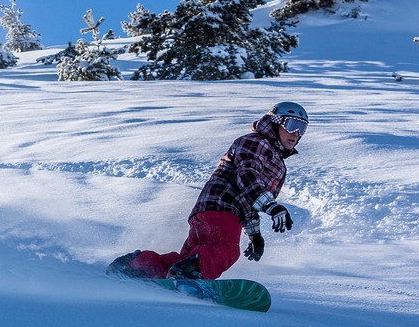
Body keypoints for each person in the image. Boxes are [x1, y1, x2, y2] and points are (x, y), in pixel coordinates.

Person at [111, 101, 308, 281]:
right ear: (274, 122)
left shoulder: (275, 159)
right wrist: (271, 206)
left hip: (212, 211)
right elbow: (247, 175)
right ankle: (188, 275)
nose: (296, 133)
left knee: (188, 257)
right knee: (225, 250)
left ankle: (139, 265)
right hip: (223, 208)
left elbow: (249, 199)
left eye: (302, 128)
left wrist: (254, 233)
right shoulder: (256, 142)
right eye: (292, 125)